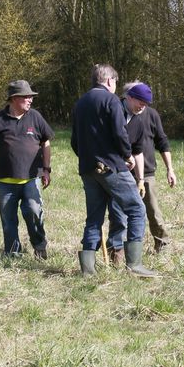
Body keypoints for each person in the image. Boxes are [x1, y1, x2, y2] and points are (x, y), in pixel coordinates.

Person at [71, 63, 157, 277]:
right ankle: (134, 264)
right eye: (115, 82)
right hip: (111, 166)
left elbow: (75, 141)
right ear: (109, 80)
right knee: (136, 209)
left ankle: (88, 271)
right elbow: (120, 133)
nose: (116, 86)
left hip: (88, 168)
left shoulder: (80, 103)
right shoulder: (111, 100)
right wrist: (127, 155)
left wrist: (89, 159)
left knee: (94, 218)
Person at [0, 79, 53, 260]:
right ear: (14, 98)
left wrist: (46, 169)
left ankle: (40, 248)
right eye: (26, 96)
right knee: (9, 222)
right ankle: (13, 255)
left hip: (32, 179)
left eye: (31, 96)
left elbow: (46, 143)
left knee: (34, 213)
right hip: (5, 183)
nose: (30, 99)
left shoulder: (35, 117)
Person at [108, 82, 177, 255]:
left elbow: (162, 141)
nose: (142, 105)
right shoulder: (116, 113)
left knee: (153, 211)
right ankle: (116, 251)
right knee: (118, 214)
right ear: (129, 97)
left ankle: (162, 245)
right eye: (140, 101)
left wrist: (170, 169)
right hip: (120, 172)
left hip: (146, 172)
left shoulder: (151, 115)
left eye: (145, 102)